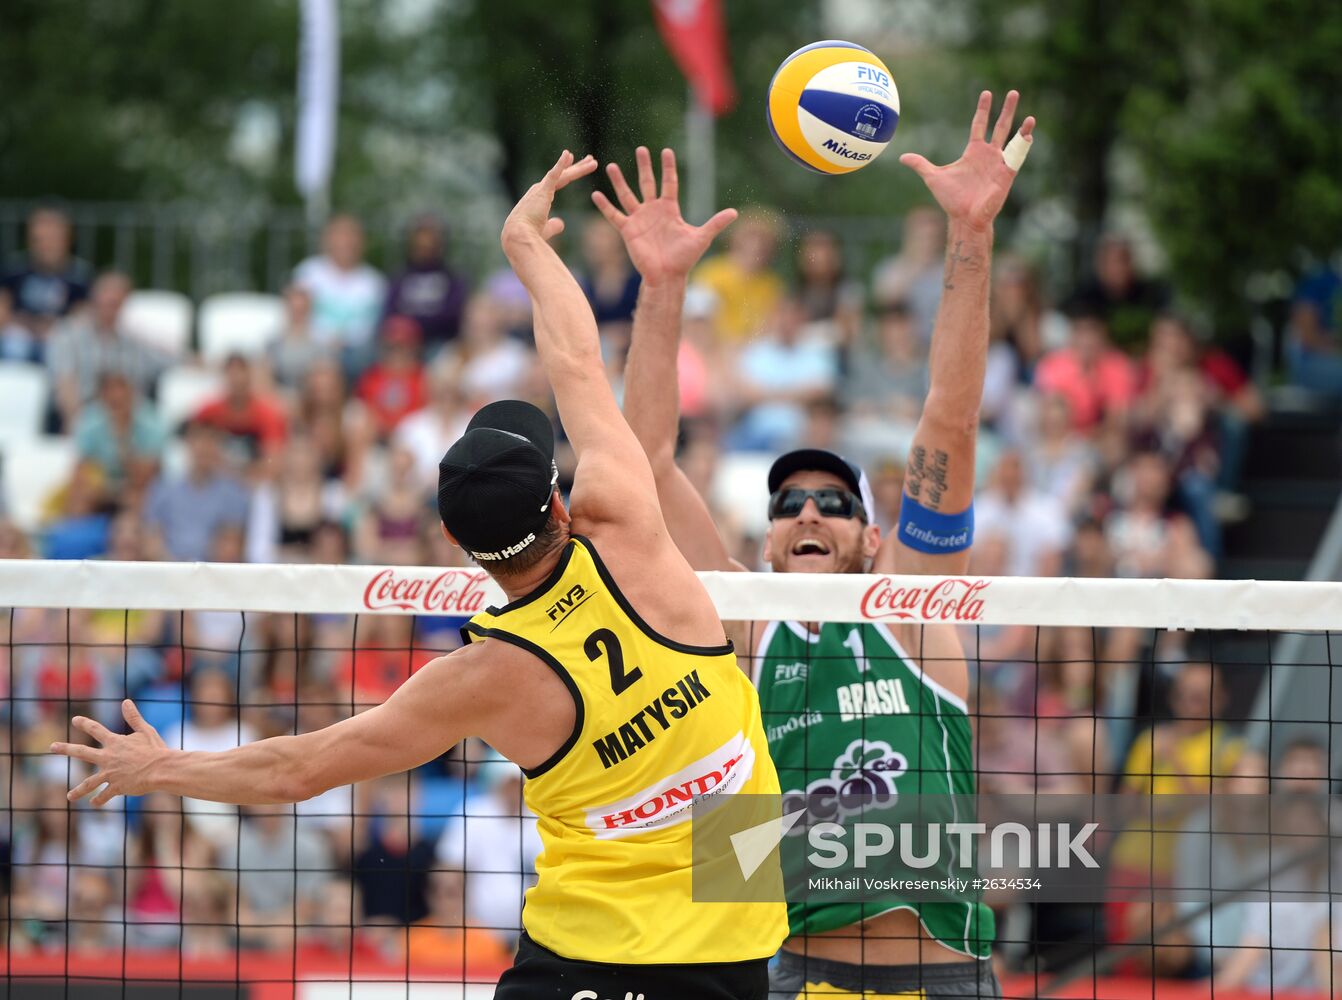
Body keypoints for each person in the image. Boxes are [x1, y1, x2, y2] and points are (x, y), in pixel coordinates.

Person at [53, 151, 787, 999]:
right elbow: (578, 366)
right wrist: (531, 250)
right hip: (734, 943)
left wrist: (162, 769)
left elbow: (300, 769)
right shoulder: (628, 530)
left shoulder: (482, 675)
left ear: (456, 543)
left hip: (591, 953)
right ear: (561, 504)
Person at [609, 91, 1036, 998]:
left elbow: (951, 419)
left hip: (942, 982)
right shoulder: (745, 629)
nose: (808, 512)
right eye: (789, 502)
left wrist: (970, 235)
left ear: (873, 537)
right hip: (797, 978)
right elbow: (641, 462)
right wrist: (662, 288)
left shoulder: (914, 606)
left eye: (833, 502)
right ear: (764, 545)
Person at [1, 207, 92, 338]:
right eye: (39, 240)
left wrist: (56, 327)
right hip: (19, 336)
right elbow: (3, 307)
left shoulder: (80, 276)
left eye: (52, 239)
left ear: (67, 240)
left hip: (61, 338)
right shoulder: (14, 269)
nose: (46, 246)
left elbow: (84, 317)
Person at [382, 214, 470, 348]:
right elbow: (391, 313)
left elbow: (452, 317)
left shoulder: (452, 278)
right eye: (420, 240)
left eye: (430, 240)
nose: (425, 244)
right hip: (403, 343)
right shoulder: (400, 277)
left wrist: (415, 325)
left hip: (440, 341)